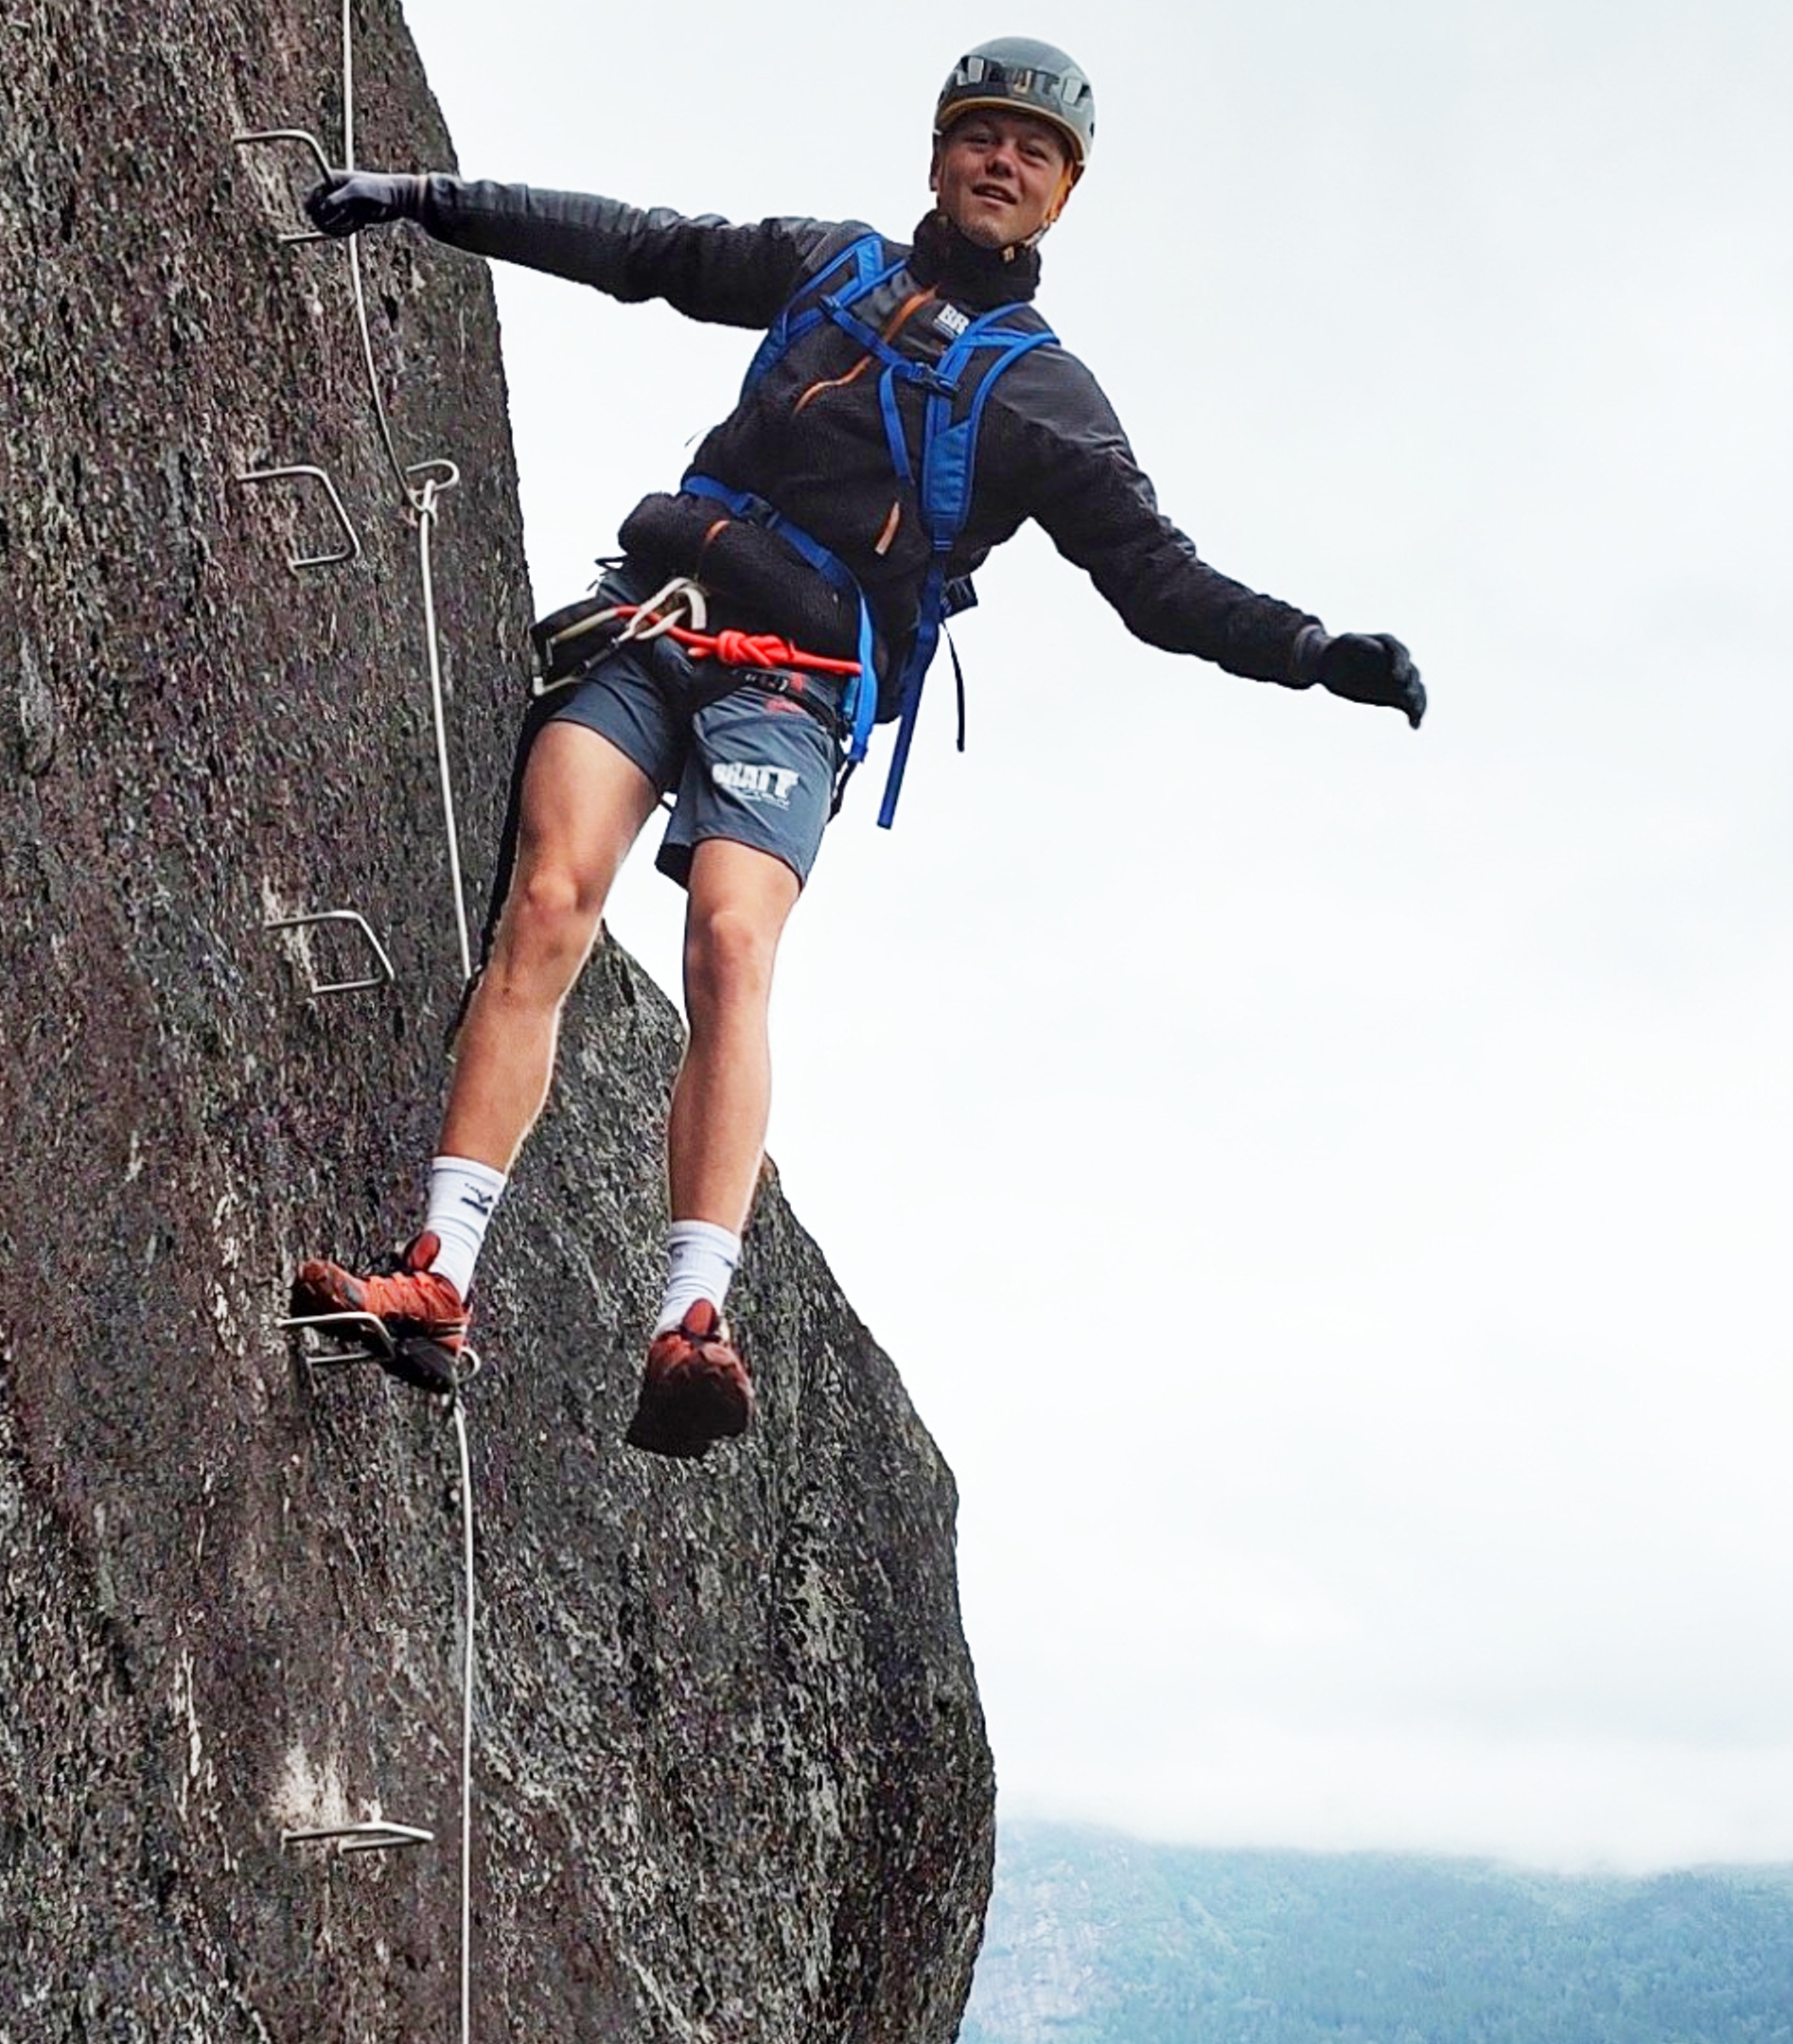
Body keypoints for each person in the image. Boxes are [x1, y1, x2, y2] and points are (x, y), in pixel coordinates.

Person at [286, 36, 1425, 1459]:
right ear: (940, 154)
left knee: (729, 944)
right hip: (655, 626)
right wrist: (425, 197)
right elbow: (644, 249)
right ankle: (439, 1276)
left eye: (1035, 150)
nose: (1001, 161)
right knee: (547, 902)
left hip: (799, 690)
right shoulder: (832, 269)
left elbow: (1159, 581)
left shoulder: (1042, 402)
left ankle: (693, 1314)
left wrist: (1314, 652)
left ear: (1066, 194)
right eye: (981, 135)